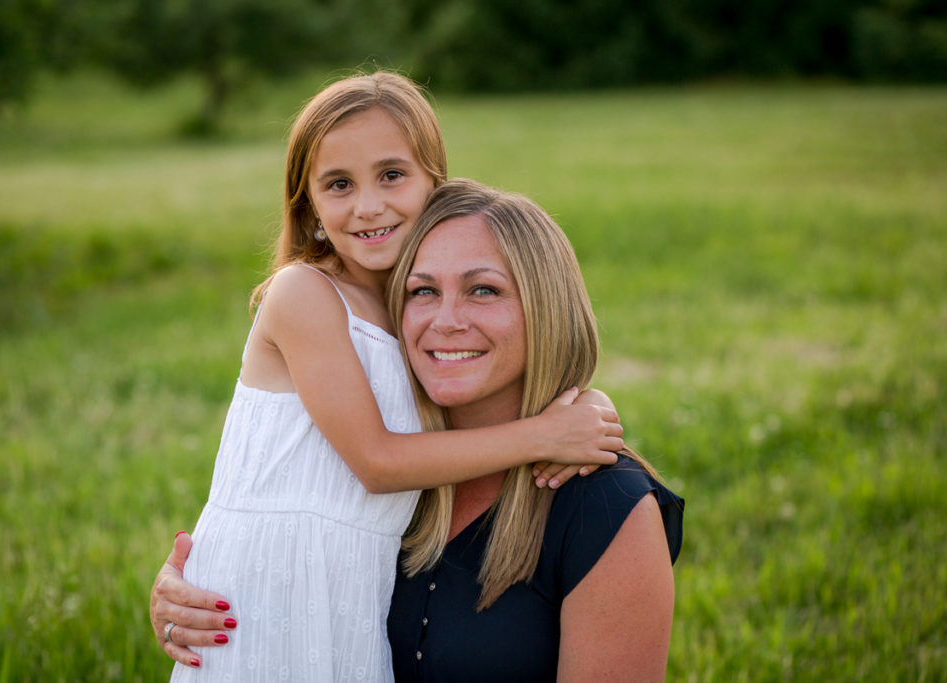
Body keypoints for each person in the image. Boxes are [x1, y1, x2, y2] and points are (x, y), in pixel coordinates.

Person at [152, 73, 624, 682]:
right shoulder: (306, 294)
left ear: (436, 183)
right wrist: (547, 435)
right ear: (310, 206)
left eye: (392, 175)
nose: (368, 205)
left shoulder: (418, 310)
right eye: (339, 185)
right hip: (271, 588)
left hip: (351, 587)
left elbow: (480, 390)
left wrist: (583, 403)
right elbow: (375, 461)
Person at [385, 179, 683, 681]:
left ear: (545, 309)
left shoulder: (604, 507)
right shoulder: (372, 460)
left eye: (483, 290)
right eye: (423, 291)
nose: (446, 319)